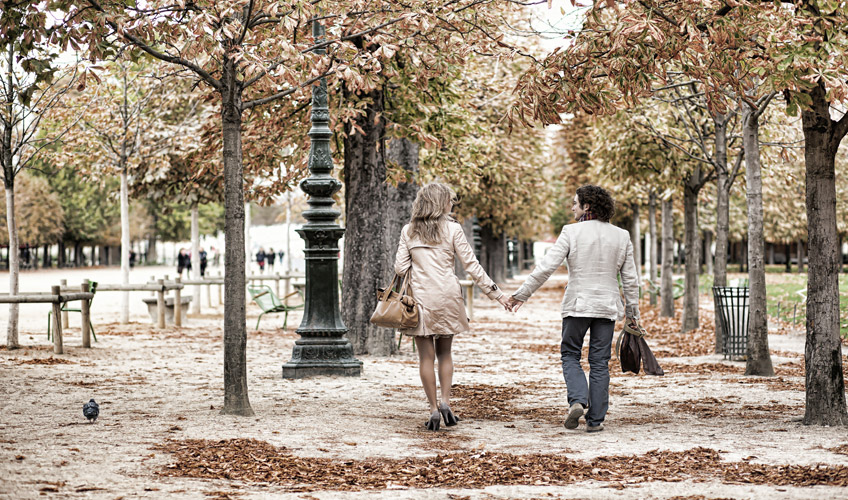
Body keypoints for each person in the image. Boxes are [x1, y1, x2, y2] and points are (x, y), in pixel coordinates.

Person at [506, 185, 640, 433]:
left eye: (575, 203)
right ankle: (595, 421)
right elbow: (630, 279)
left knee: (570, 354)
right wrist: (633, 314)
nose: (572, 208)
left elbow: (546, 267)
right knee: (599, 362)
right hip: (606, 307)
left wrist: (521, 294)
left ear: (586, 206)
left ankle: (577, 400)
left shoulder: (571, 232)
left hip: (577, 306)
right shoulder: (622, 236)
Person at [394, 182, 510, 431]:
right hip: (447, 297)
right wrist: (497, 294)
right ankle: (446, 402)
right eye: (449, 200)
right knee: (445, 353)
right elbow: (471, 265)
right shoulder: (453, 229)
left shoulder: (409, 231)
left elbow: (400, 268)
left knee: (426, 357)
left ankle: (433, 408)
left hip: (420, 299)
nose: (451, 204)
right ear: (440, 203)